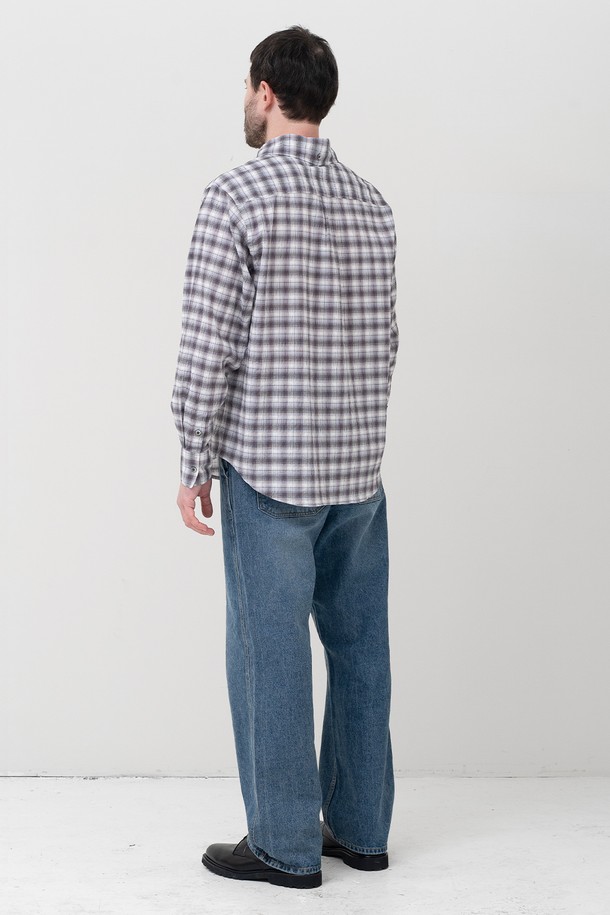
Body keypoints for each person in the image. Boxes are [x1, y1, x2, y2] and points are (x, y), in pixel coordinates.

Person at [170, 24, 399, 890]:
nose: (245, 99)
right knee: (361, 649)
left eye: (247, 87)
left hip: (269, 473)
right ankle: (363, 831)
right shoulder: (372, 204)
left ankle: (284, 845)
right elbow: (386, 340)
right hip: (357, 475)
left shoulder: (236, 196)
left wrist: (193, 458)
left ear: (266, 92)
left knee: (270, 654)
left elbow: (209, 348)